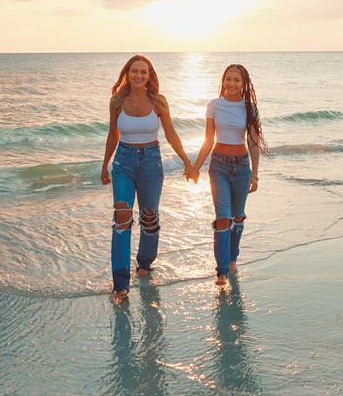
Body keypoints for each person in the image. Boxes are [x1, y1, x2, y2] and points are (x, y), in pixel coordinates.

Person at [101, 54, 192, 303]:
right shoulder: (117, 101)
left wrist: (186, 160)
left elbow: (171, 134)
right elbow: (112, 134)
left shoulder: (159, 101)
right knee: (121, 217)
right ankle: (120, 284)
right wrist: (105, 165)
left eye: (144, 72)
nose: (139, 75)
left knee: (149, 217)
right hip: (123, 162)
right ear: (127, 74)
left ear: (150, 75)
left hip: (151, 161)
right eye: (134, 71)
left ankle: (145, 263)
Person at [191, 64, 268, 285]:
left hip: (242, 167)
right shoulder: (214, 105)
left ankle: (233, 257)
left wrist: (255, 174)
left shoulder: (249, 107)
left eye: (236, 80)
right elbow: (208, 139)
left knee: (238, 216)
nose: (231, 84)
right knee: (223, 217)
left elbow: (253, 142)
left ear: (244, 84)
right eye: (228, 79)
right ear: (222, 81)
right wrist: (195, 167)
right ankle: (222, 271)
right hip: (219, 167)